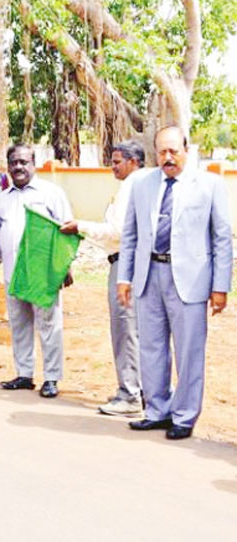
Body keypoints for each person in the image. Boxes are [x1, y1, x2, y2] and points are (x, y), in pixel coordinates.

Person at [117, 126, 232, 440]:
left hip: (191, 280)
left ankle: (184, 416)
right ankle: (156, 410)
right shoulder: (142, 184)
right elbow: (130, 235)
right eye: (162, 152)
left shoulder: (209, 184)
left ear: (186, 149)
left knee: (188, 350)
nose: (167, 158)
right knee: (151, 348)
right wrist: (125, 277)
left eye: (173, 152)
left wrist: (220, 286)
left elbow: (222, 238)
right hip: (148, 275)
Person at [0, 143, 74, 399]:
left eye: (24, 162)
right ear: (8, 166)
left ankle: (52, 378)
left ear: (34, 164)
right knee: (19, 325)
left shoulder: (51, 193)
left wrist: (64, 266)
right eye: (14, 162)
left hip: (42, 275)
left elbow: (67, 230)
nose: (19, 167)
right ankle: (24, 374)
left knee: (49, 326)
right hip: (13, 275)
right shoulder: (3, 197)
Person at [60, 141, 144, 416]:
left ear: (134, 162)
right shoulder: (140, 185)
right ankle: (138, 390)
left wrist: (80, 226)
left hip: (125, 264)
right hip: (130, 262)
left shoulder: (133, 186)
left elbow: (117, 231)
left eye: (117, 160)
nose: (112, 166)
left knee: (125, 330)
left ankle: (130, 394)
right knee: (136, 331)